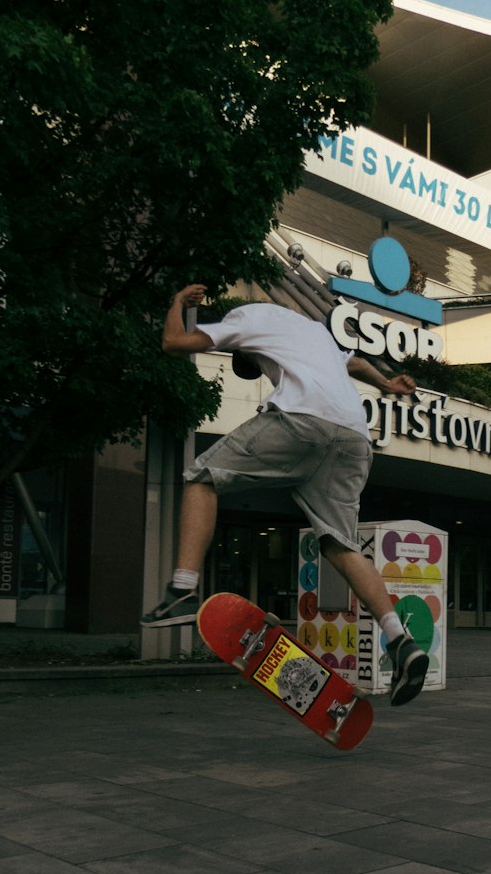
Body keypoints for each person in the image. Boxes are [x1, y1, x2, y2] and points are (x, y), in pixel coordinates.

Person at [141, 285, 430, 707]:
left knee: (201, 478)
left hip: (301, 422)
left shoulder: (245, 320)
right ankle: (400, 640)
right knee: (340, 544)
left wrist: (175, 303)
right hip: (353, 438)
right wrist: (388, 385)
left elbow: (174, 343)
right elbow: (358, 363)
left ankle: (182, 589)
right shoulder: (314, 331)